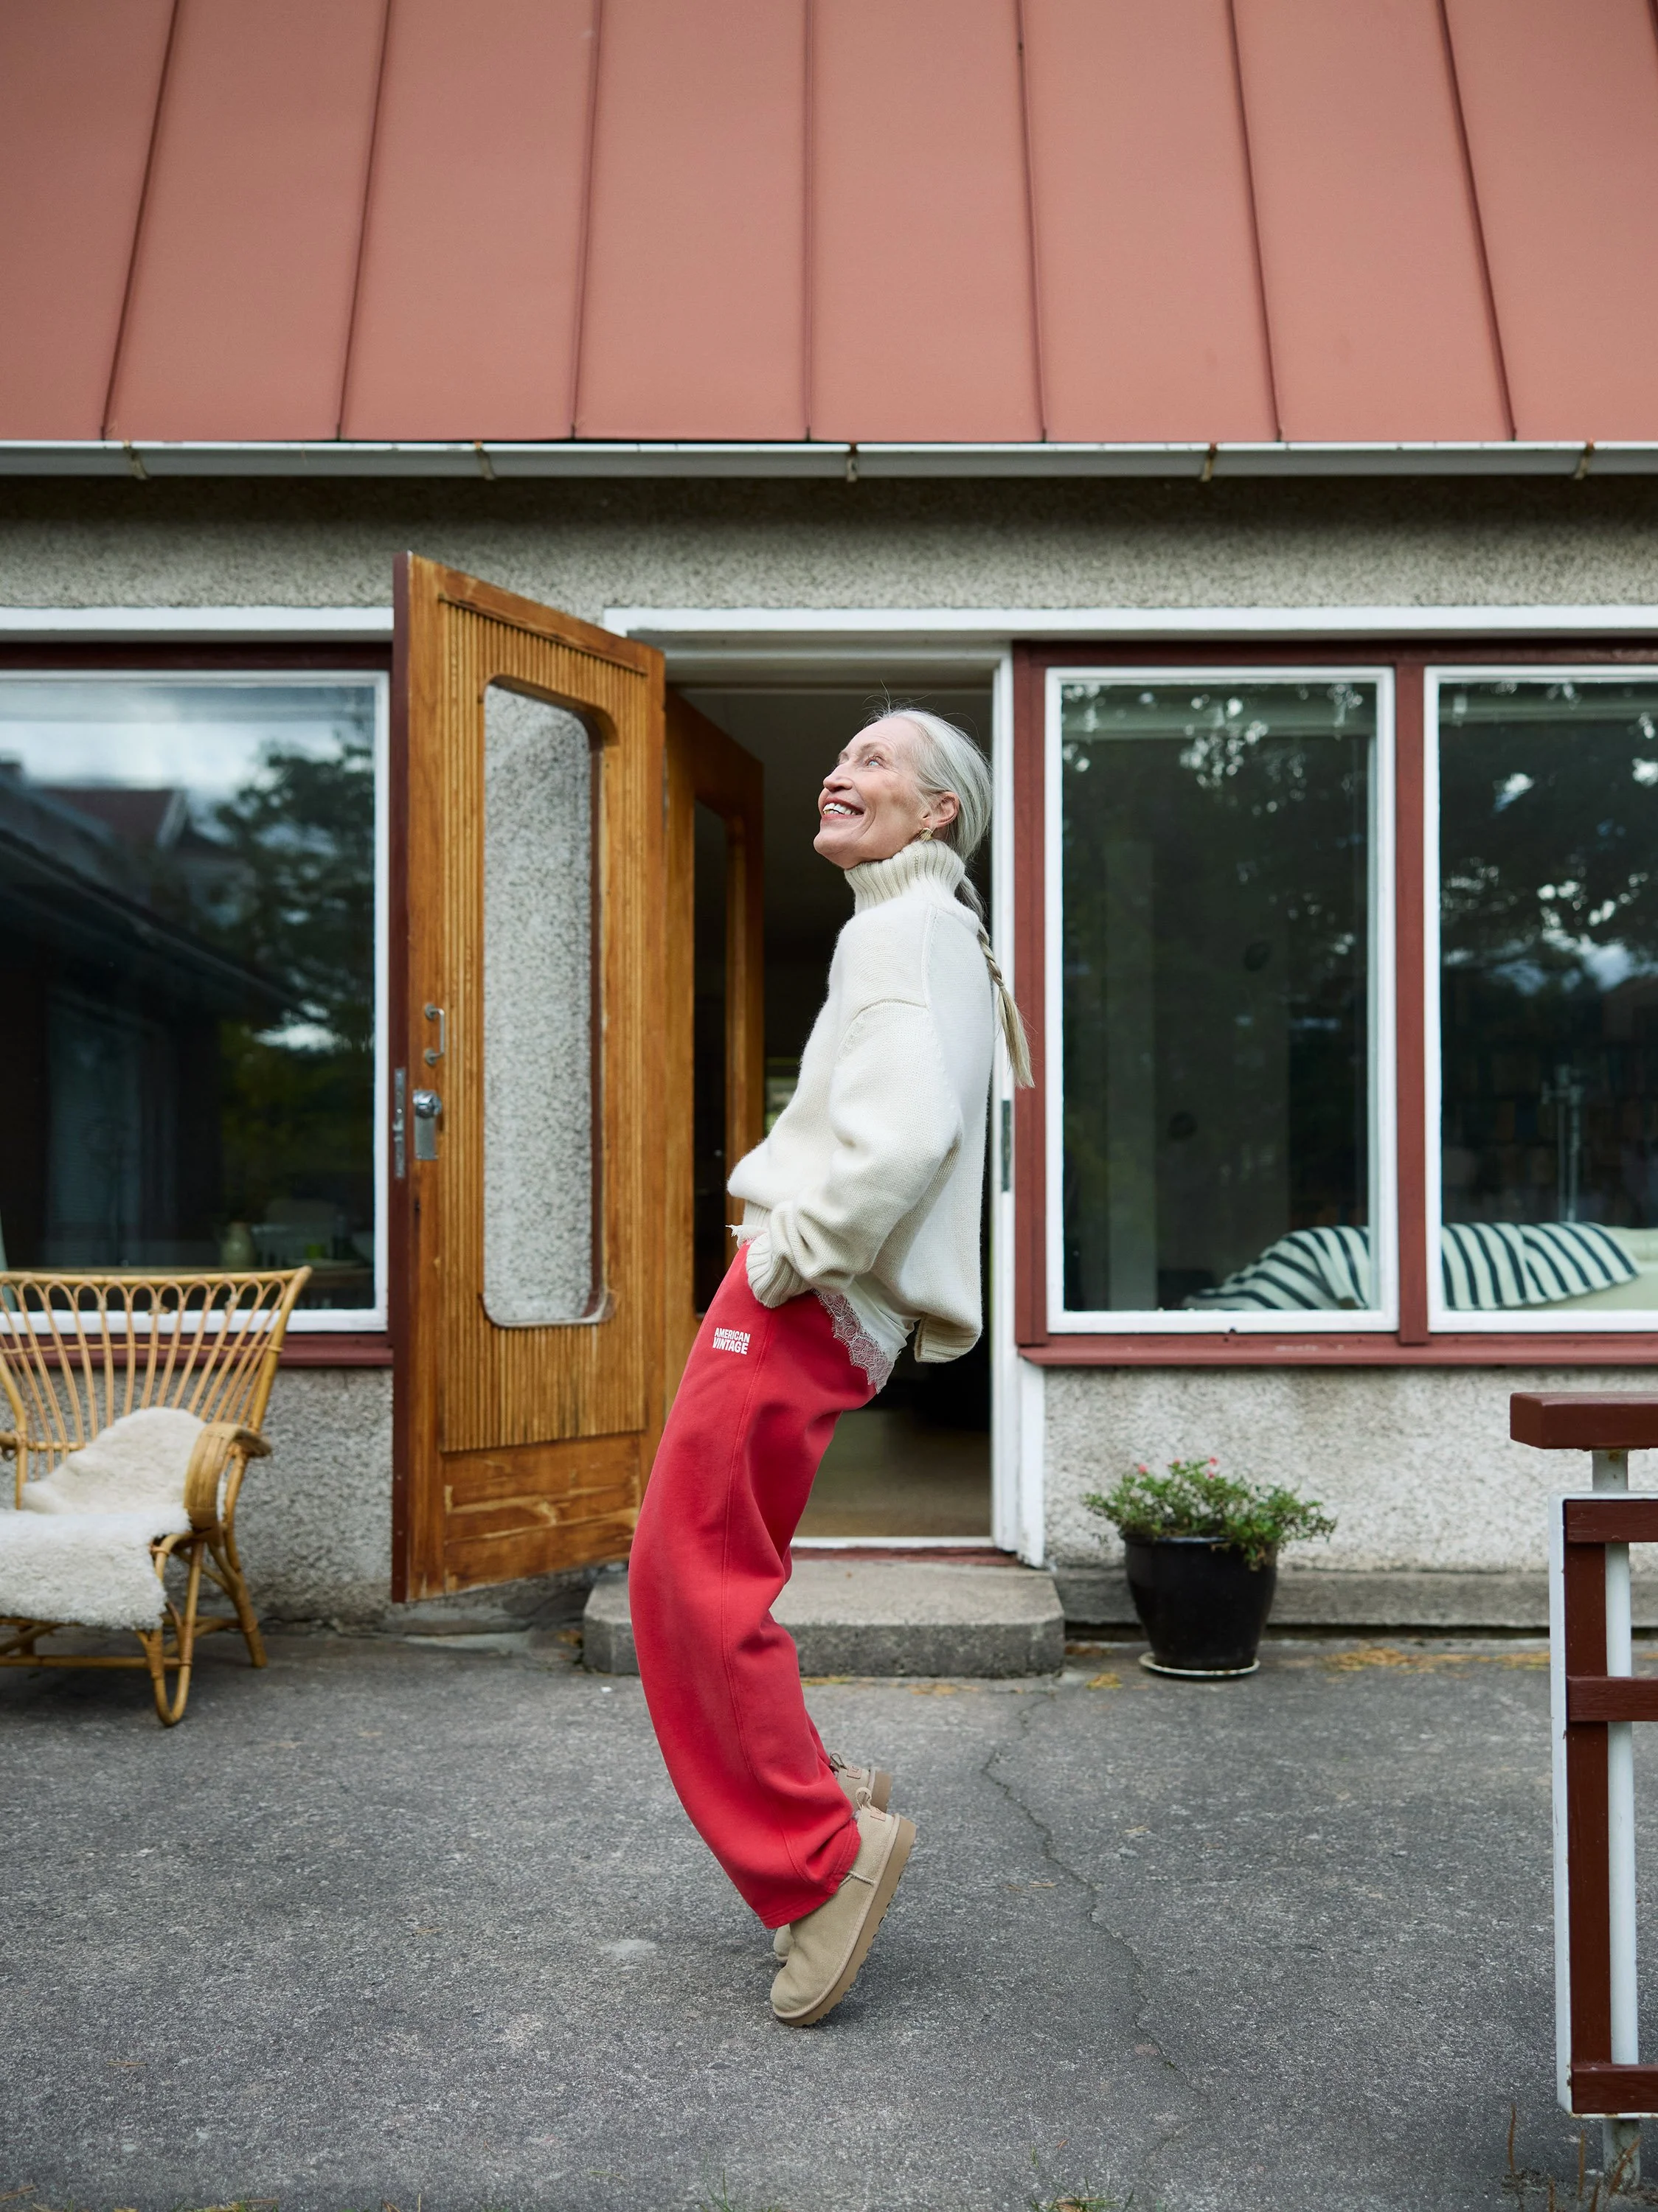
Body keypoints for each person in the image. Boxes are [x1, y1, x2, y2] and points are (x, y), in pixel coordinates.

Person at [628, 708, 1031, 2027]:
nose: (838, 770)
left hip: (797, 1295)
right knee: (715, 1572)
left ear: (938, 817)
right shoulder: (933, 932)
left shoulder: (904, 928)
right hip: (818, 1298)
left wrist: (789, 1252)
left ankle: (822, 1862)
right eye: (838, 754)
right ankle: (825, 1804)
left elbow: (908, 1134)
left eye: (873, 759)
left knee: (688, 1583)